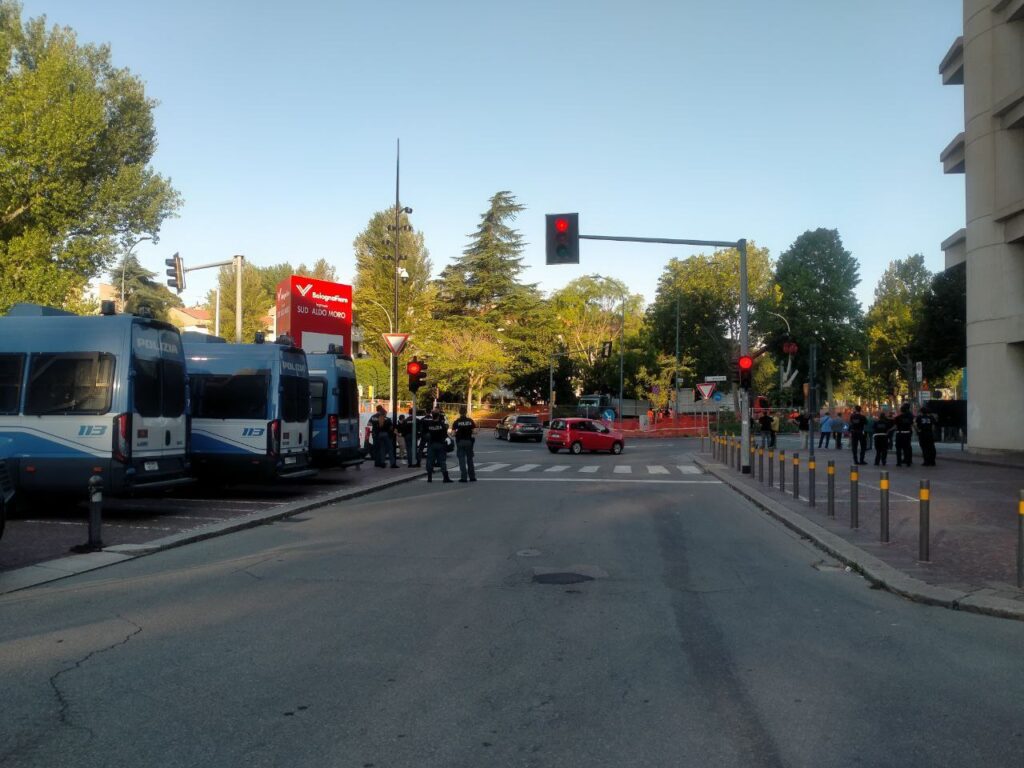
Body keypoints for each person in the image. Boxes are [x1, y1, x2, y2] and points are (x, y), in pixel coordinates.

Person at [424, 409, 452, 483]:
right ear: (438, 416)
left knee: (430, 460)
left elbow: (426, 433)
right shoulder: (441, 424)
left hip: (431, 444)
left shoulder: (429, 424)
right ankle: (445, 477)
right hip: (440, 444)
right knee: (442, 461)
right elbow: (445, 434)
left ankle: (429, 477)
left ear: (432, 416)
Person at [451, 405, 477, 482]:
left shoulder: (456, 422)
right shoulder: (470, 421)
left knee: (462, 460)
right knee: (470, 460)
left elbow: (453, 433)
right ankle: (472, 477)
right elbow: (475, 432)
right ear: (466, 412)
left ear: (459, 413)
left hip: (460, 442)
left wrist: (455, 433)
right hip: (469, 441)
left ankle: (464, 477)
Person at [894, 402, 915, 467]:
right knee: (907, 447)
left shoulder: (898, 417)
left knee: (899, 448)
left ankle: (899, 462)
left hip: (900, 434)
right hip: (907, 433)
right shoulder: (910, 416)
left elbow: (895, 426)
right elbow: (912, 424)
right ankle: (908, 461)